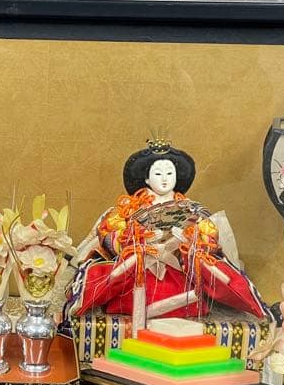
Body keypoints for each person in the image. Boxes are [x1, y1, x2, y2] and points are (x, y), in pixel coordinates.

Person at [66, 137, 268, 322]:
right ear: (146, 179)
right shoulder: (129, 208)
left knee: (212, 271)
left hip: (178, 265)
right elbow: (110, 231)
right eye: (158, 173)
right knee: (119, 275)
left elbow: (209, 234)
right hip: (140, 267)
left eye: (170, 173)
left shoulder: (190, 208)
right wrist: (136, 239)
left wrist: (189, 240)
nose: (164, 178)